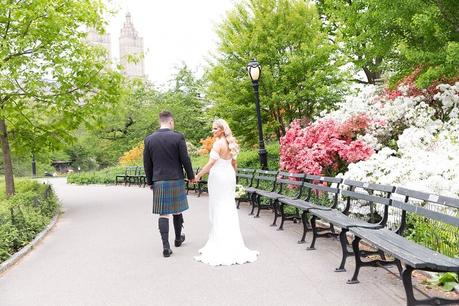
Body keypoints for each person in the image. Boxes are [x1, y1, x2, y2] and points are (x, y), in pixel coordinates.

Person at [194, 119, 259, 266]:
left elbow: (211, 163)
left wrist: (199, 175)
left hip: (218, 176)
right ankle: (232, 240)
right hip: (229, 176)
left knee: (218, 206)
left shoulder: (218, 144)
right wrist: (232, 177)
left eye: (215, 129)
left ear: (222, 130)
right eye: (212, 129)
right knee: (228, 206)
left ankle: (220, 241)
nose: (213, 131)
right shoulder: (232, 144)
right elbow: (234, 164)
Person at [143, 111, 195, 257]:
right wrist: (191, 176)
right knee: (177, 210)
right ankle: (178, 239)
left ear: (160, 121)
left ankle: (166, 247)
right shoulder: (178, 137)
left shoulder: (149, 139)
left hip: (159, 179)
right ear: (171, 121)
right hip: (176, 178)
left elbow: (147, 163)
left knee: (163, 213)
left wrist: (149, 181)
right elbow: (185, 159)